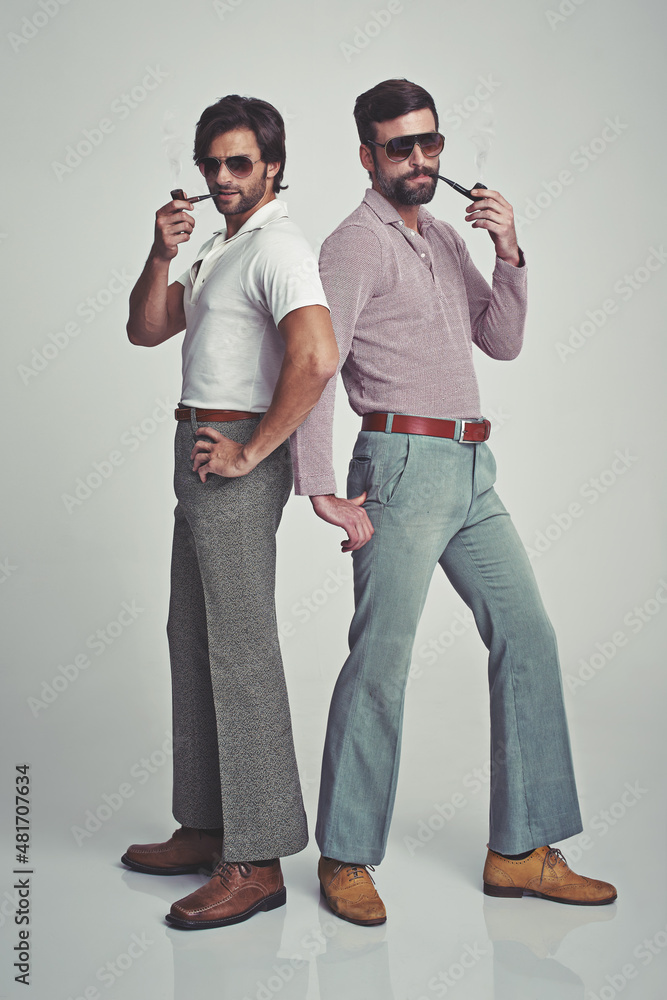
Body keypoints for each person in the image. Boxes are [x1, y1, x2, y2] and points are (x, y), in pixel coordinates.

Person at [292, 78, 616, 925]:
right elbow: (316, 361)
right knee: (382, 663)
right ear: (367, 156)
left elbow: (500, 340)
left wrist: (510, 252)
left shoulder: (441, 237)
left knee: (528, 634)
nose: (419, 160)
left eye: (428, 143)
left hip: (474, 472)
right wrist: (318, 483)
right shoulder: (351, 245)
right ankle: (346, 857)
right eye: (398, 147)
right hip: (397, 468)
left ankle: (519, 851)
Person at [121, 94, 338, 930]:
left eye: (238, 163)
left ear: (272, 166)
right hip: (196, 456)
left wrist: (252, 451)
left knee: (241, 651)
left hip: (233, 457)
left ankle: (258, 860)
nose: (221, 178)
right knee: (193, 636)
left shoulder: (279, 246)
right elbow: (144, 330)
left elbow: (316, 355)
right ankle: (209, 826)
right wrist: (158, 251)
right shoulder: (219, 247)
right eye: (211, 163)